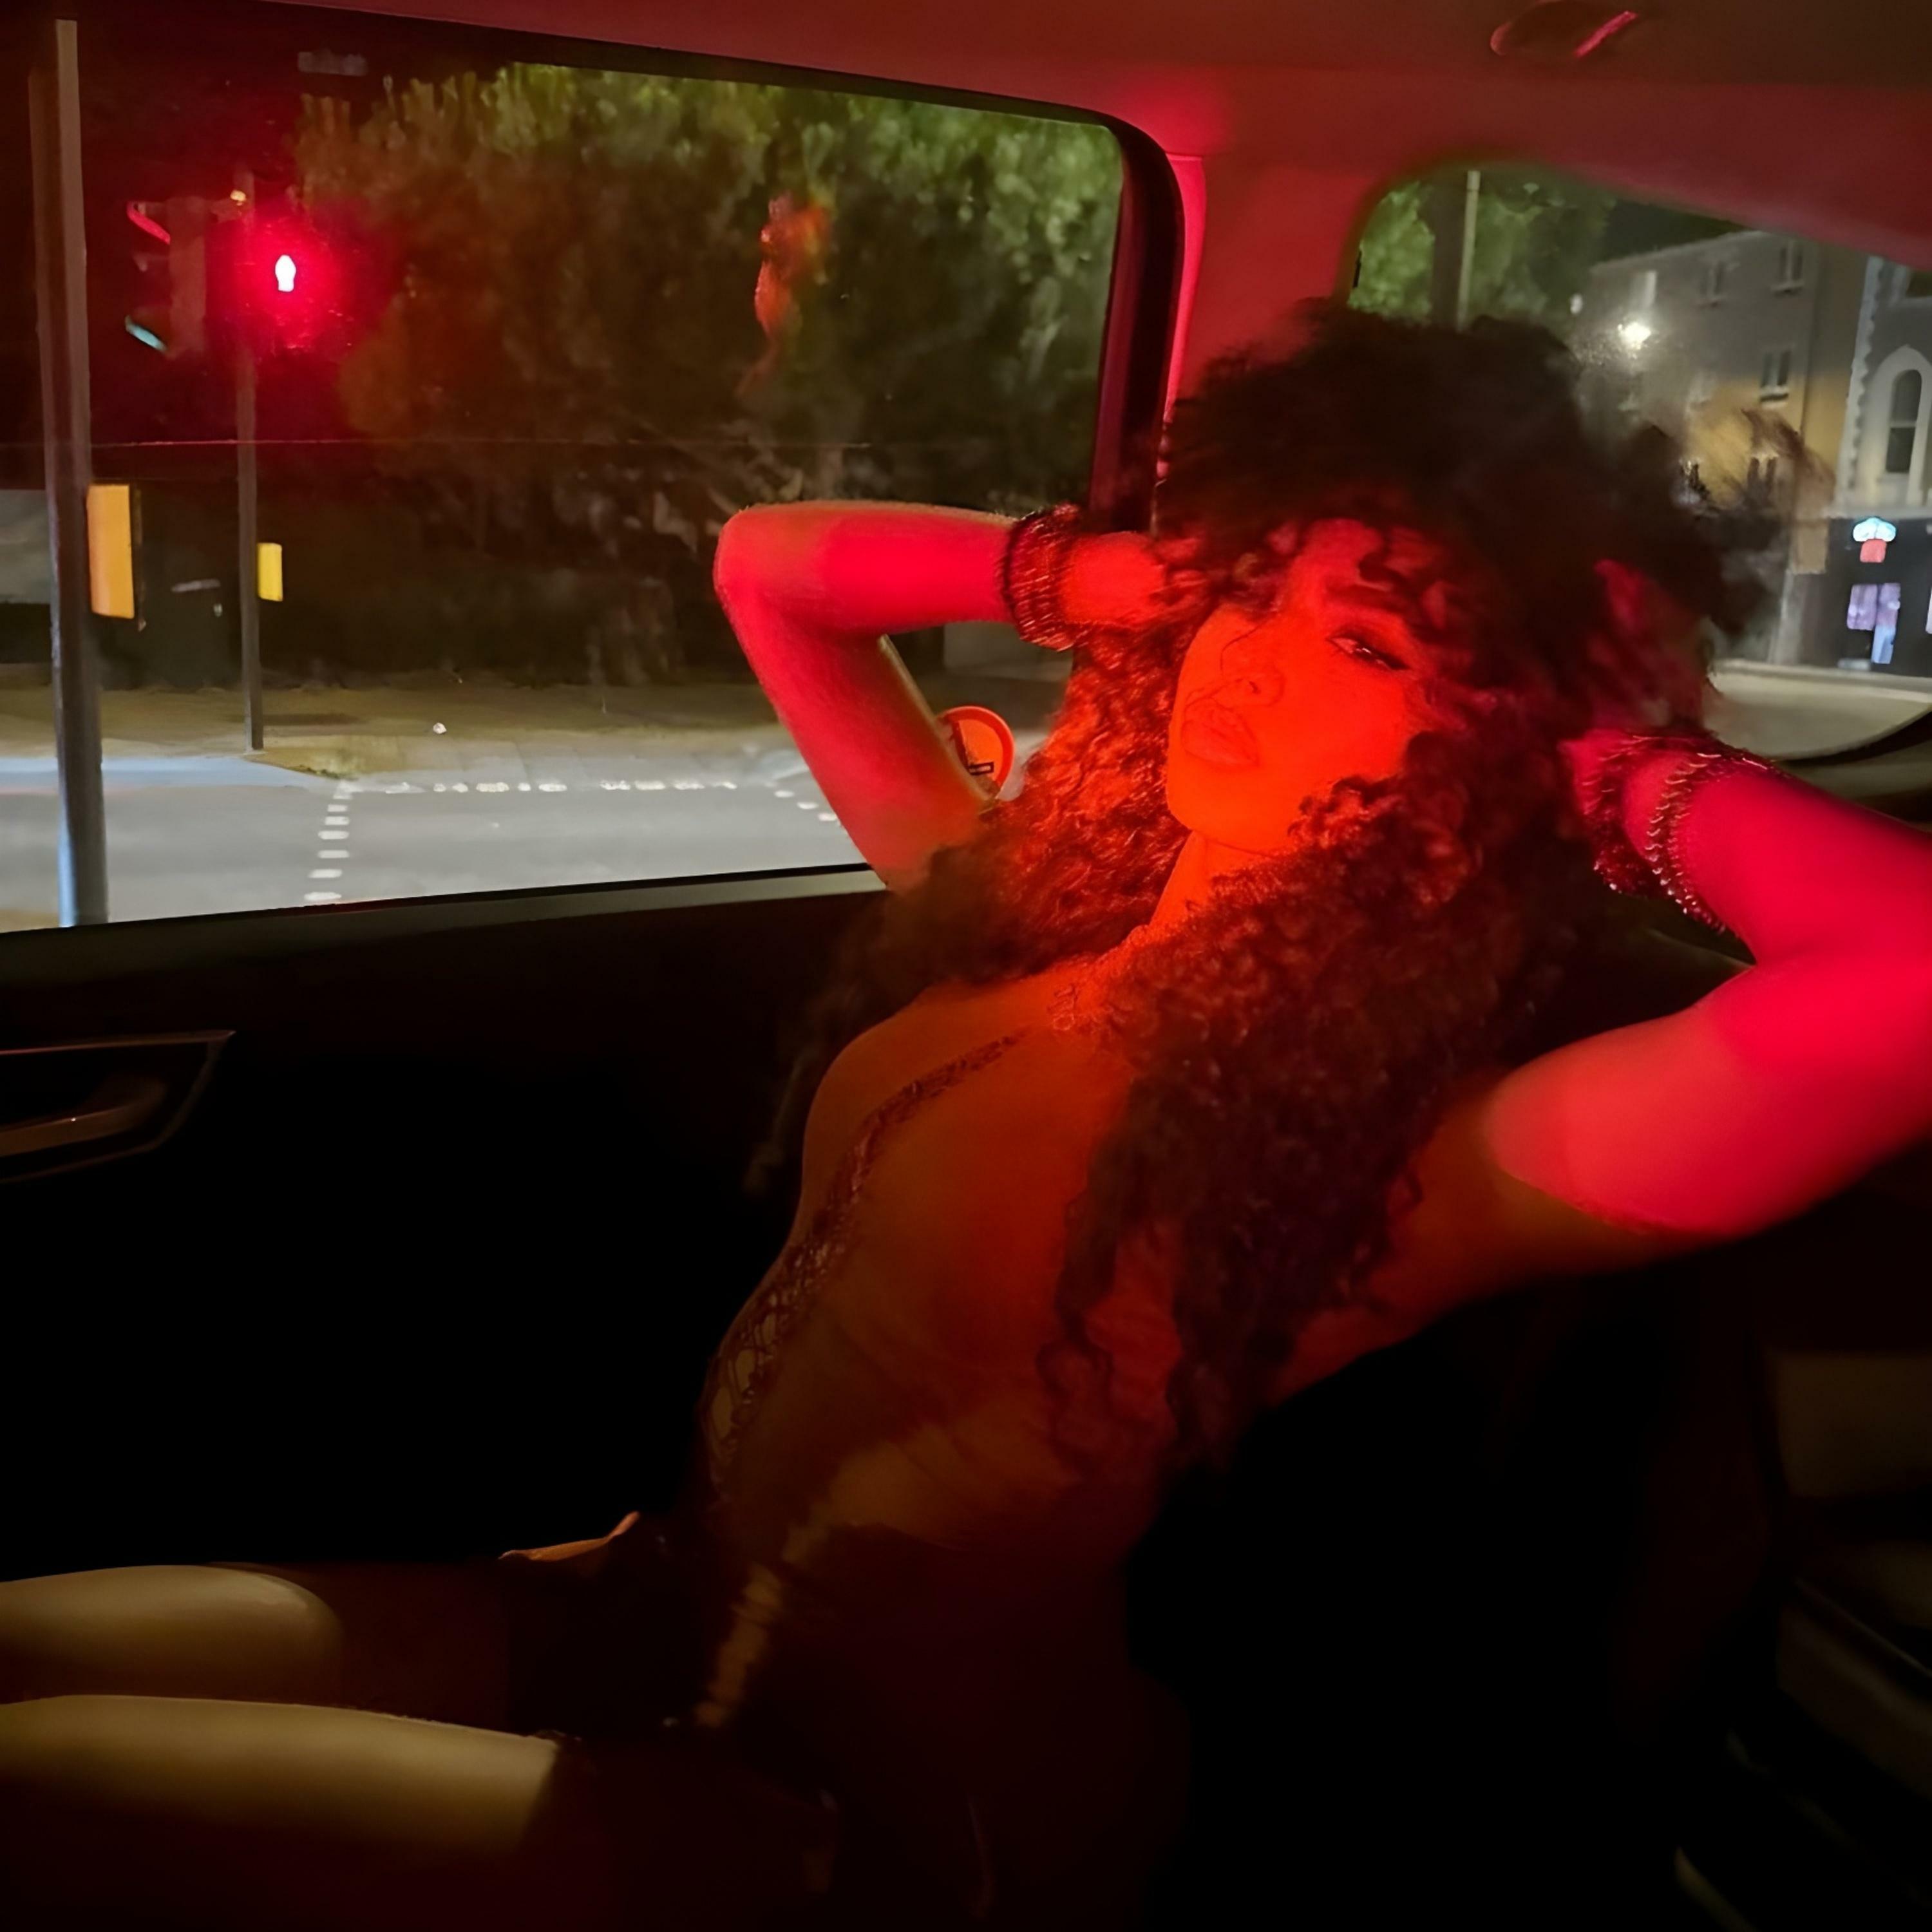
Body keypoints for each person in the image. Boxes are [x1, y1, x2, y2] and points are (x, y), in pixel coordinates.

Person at [4, 308, 1931, 1929]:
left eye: (1362, 644)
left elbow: (1909, 981)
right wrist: (1133, 577)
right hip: (637, 1607)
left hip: (857, 1819)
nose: (1250, 657)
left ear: (1481, 752)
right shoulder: (1032, 922)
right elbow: (772, 571)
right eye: (1253, 595)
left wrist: (1597, 762)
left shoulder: (1405, 1167)